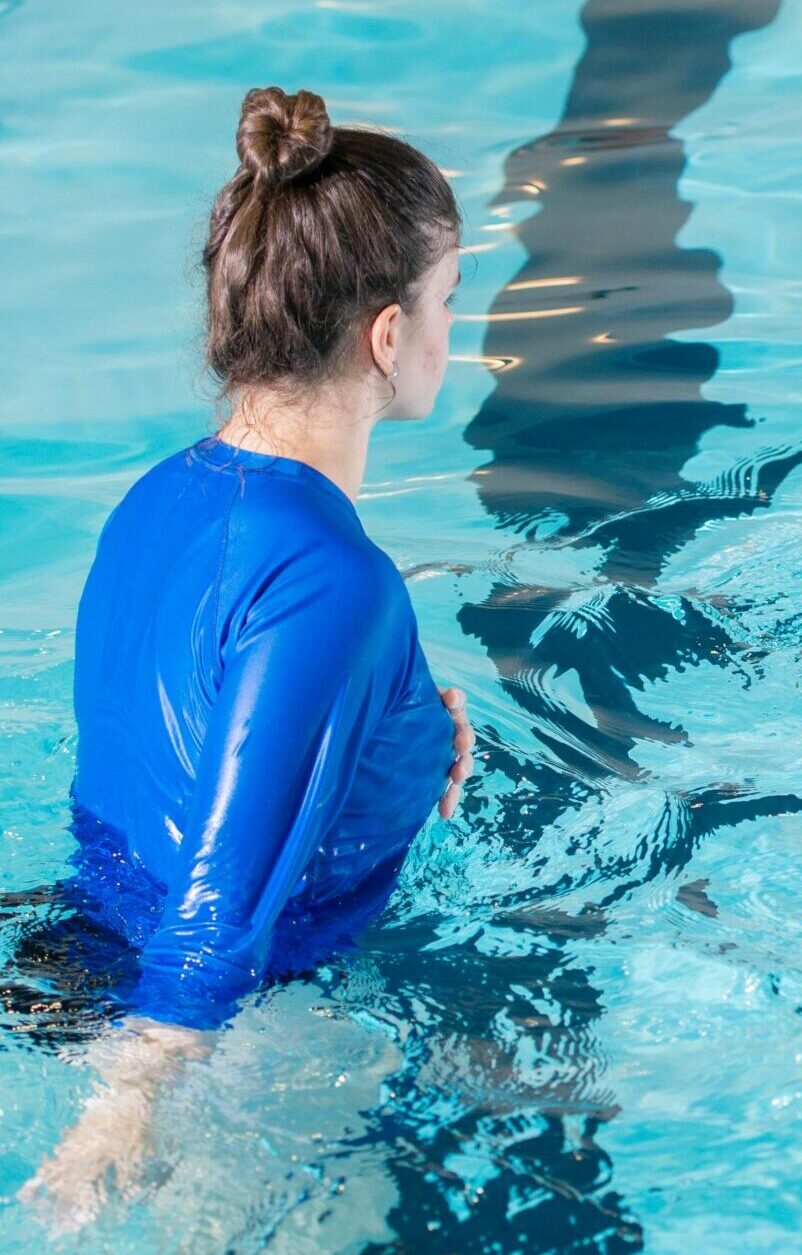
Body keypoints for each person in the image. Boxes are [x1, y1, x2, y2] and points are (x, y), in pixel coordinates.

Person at [14, 87, 474, 1228]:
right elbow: (225, 898)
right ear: (384, 335)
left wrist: (412, 746)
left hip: (66, 952)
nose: (449, 335)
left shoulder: (158, 496)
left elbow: (168, 751)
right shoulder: (335, 580)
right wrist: (127, 1103)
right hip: (233, 1044)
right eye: (447, 302)